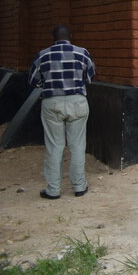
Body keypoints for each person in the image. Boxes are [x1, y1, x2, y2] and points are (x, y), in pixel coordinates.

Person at [28, 24, 96, 199]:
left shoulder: (43, 55)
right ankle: (79, 187)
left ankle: (53, 190)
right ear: (70, 36)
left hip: (52, 103)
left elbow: (33, 81)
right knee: (77, 145)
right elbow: (89, 77)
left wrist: (50, 85)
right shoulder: (82, 53)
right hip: (77, 102)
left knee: (54, 146)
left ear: (53, 38)